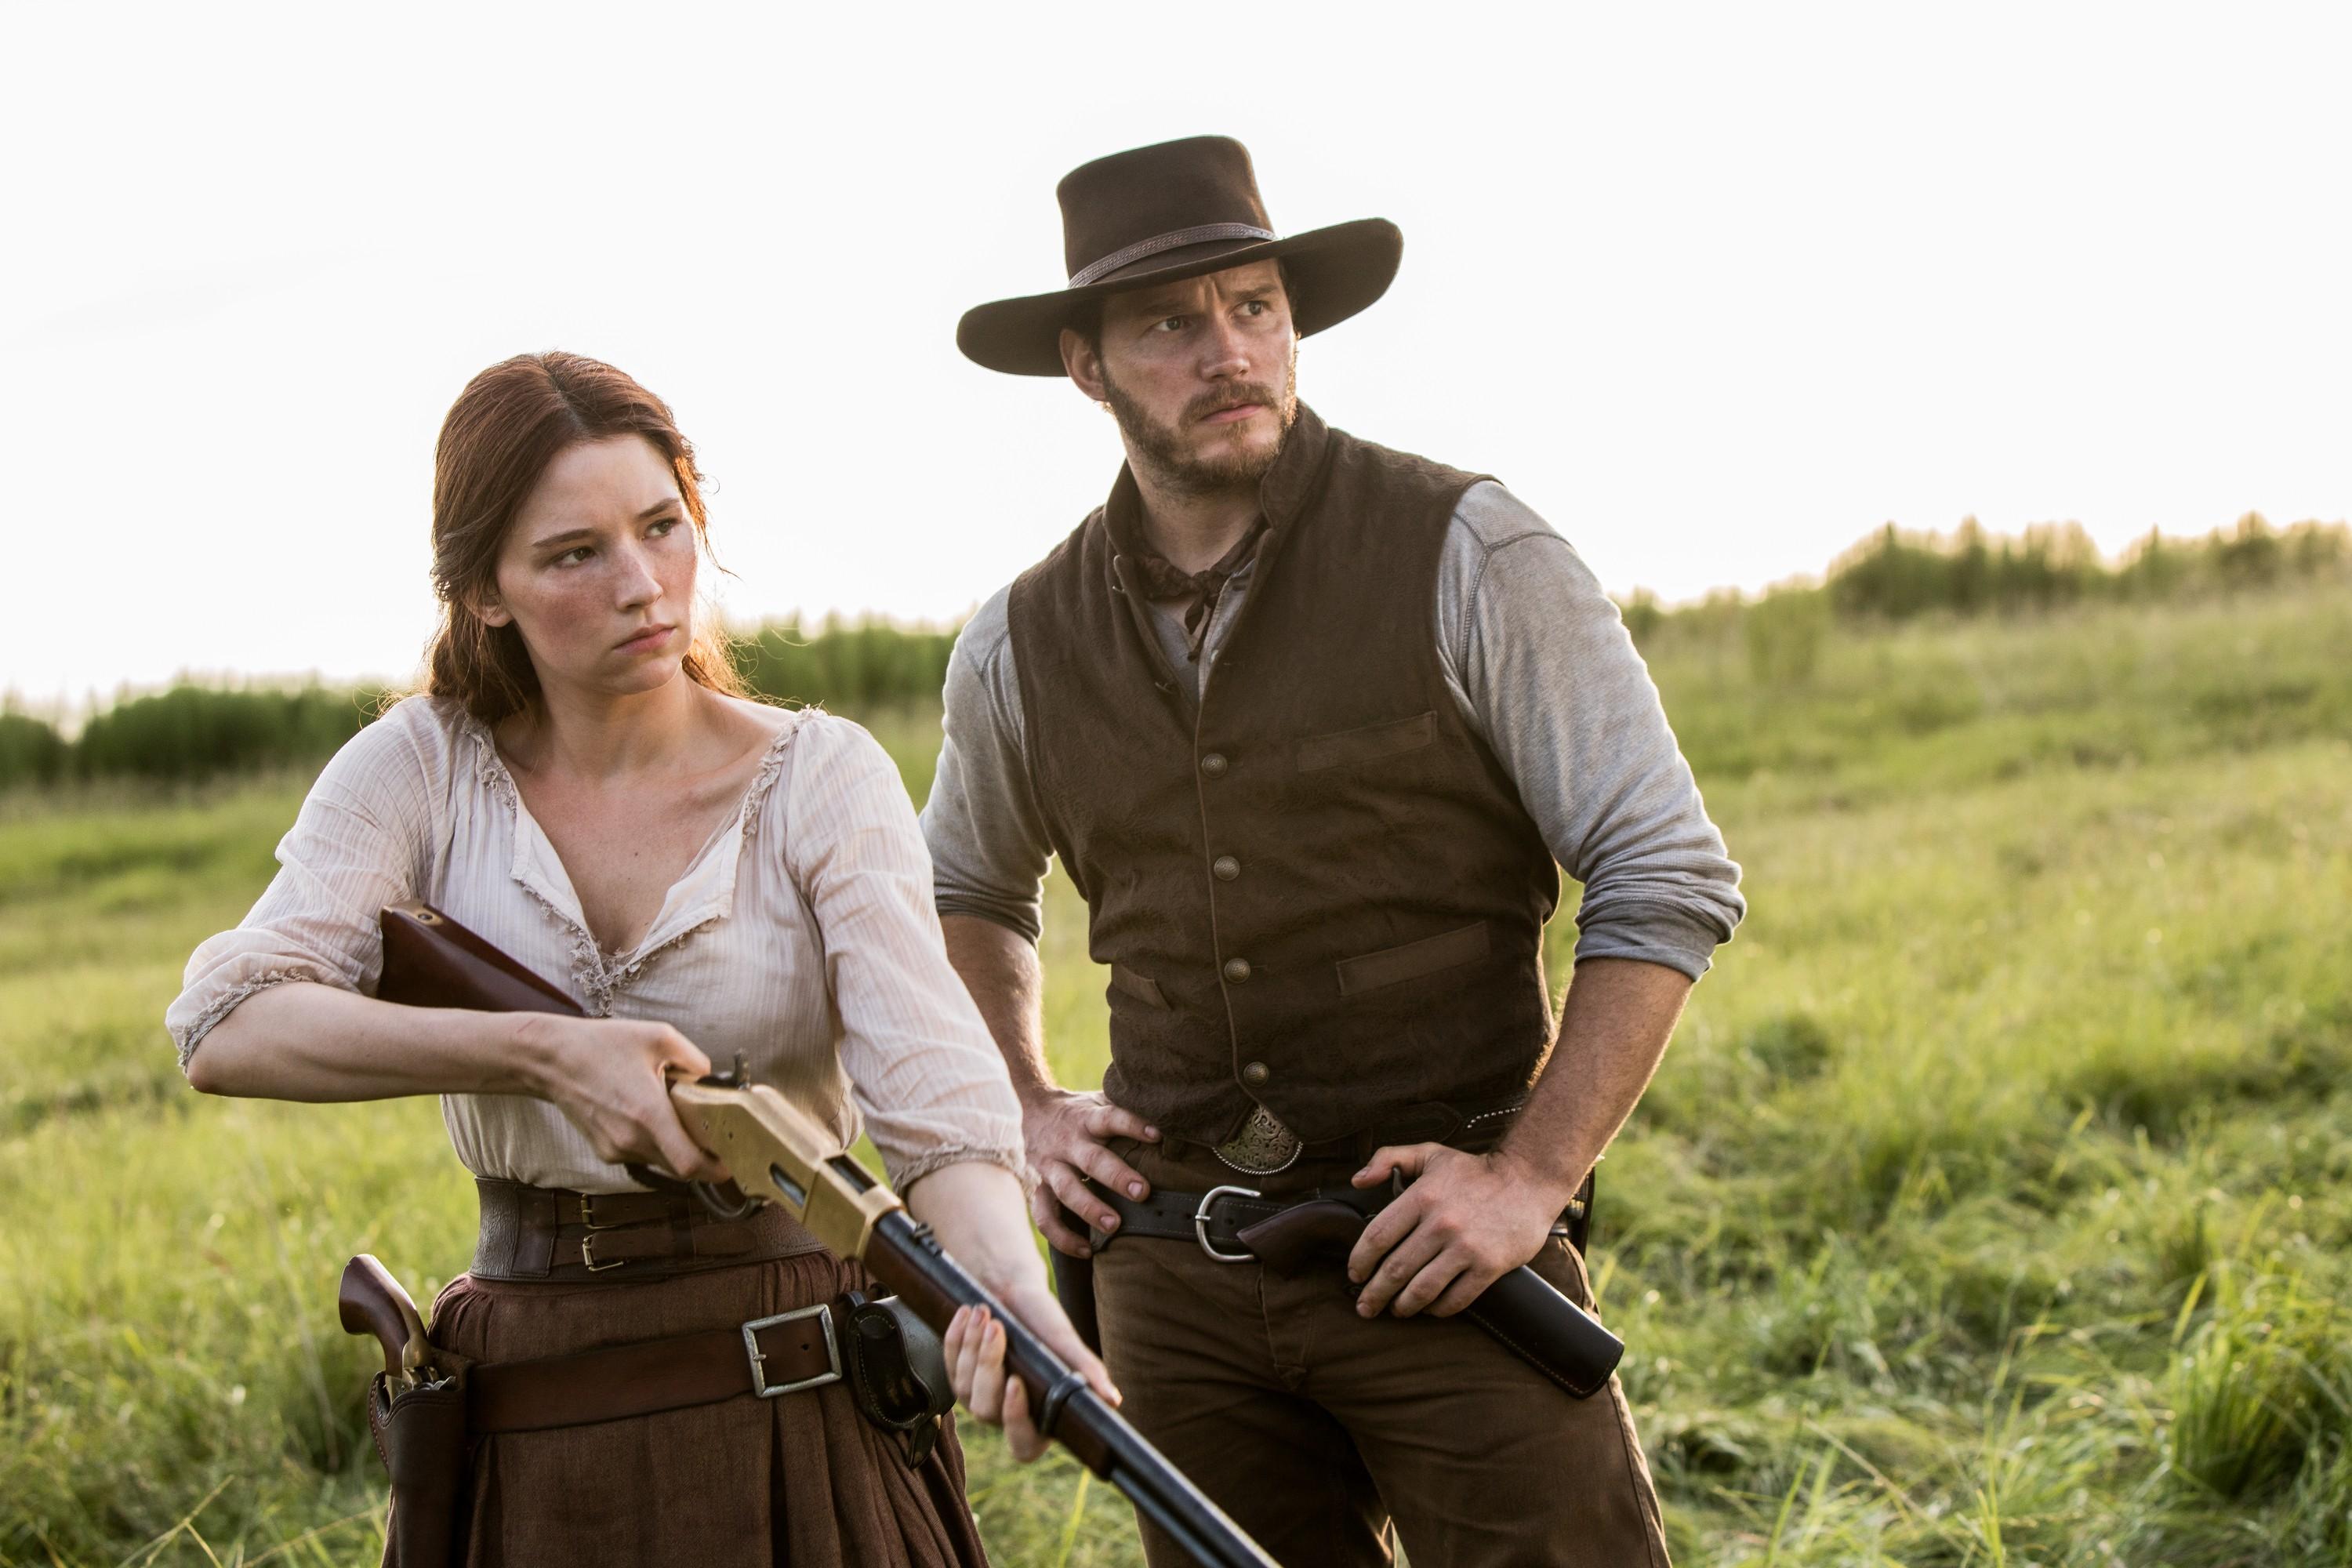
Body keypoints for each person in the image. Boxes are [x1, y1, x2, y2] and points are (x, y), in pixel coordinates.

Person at [924, 136, 1747, 1566]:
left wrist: (1527, 1181)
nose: (1228, 351)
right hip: (1172, 1278)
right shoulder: (1018, 638)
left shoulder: (1470, 550)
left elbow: (1663, 871)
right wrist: (1028, 1104)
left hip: (1443, 1254)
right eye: (1169, 324)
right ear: (1085, 365)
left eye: (1254, 306)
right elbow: (964, 888)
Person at [166, 351, 1108, 1567]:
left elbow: (939, 1109)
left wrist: (1008, 1293)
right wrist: (546, 1055)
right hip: (530, 1378)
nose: (642, 585)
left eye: (663, 528)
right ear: (484, 590)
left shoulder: (820, 778)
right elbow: (225, 1022)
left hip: (794, 1368)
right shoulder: (421, 769)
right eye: (575, 554)